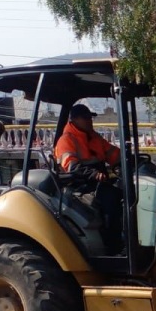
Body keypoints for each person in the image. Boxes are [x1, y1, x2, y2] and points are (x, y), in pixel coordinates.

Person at [53, 104, 125, 255]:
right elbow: (71, 167)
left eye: (90, 117)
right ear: (74, 120)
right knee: (113, 198)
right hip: (80, 186)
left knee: (126, 191)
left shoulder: (93, 136)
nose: (90, 121)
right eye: (86, 118)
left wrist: (127, 159)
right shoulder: (66, 140)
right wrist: (93, 174)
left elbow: (112, 153)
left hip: (98, 183)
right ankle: (114, 247)